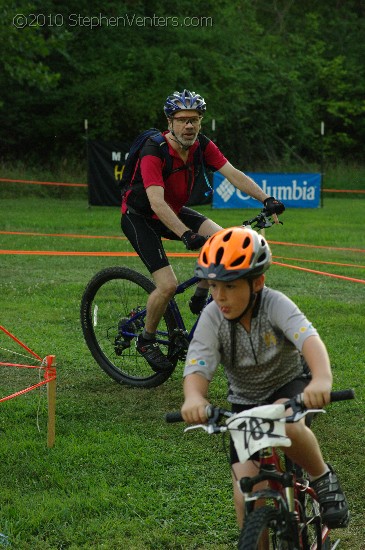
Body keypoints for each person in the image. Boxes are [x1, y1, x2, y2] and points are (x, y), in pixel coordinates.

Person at [181, 226, 349, 532]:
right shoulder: (212, 316)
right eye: (214, 286)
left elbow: (309, 340)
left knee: (286, 419)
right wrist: (194, 398)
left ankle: (322, 477)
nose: (220, 296)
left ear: (257, 281)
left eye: (230, 287)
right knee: (246, 494)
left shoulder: (276, 304)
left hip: (289, 384)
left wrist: (321, 380)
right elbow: (197, 366)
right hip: (244, 401)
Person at [121, 89, 285, 373]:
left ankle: (199, 296)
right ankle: (146, 340)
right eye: (183, 120)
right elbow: (157, 203)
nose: (189, 126)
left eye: (194, 120)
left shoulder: (202, 146)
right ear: (170, 122)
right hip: (141, 216)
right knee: (168, 286)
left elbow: (233, 174)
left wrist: (266, 199)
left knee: (226, 243)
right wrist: (186, 234)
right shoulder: (154, 150)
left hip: (172, 209)